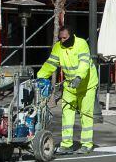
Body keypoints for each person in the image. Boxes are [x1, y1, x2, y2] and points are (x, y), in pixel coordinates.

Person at [37, 25, 98, 154]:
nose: (62, 40)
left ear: (71, 36)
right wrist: (40, 77)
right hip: (70, 86)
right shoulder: (58, 47)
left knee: (85, 113)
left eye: (65, 38)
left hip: (87, 85)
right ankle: (66, 144)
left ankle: (86, 144)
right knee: (67, 113)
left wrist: (78, 77)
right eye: (61, 38)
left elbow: (84, 64)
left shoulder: (81, 44)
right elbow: (50, 64)